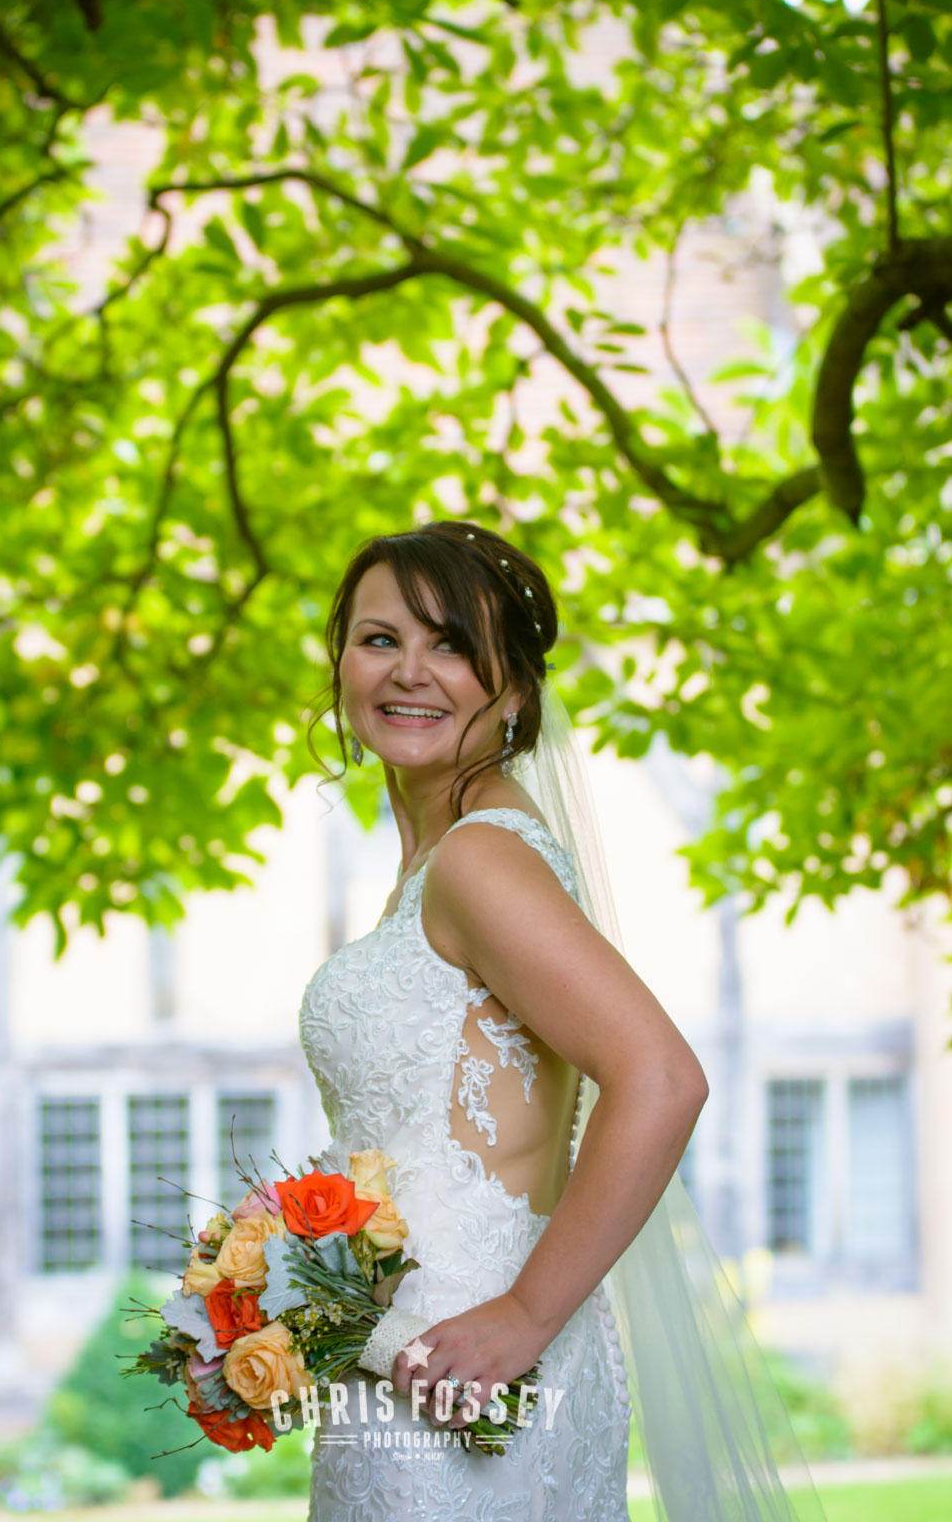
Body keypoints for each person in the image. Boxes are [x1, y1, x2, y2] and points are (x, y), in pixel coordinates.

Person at [297, 519, 708, 1519]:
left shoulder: (480, 860)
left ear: (512, 690)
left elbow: (660, 1078)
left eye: (451, 644)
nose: (410, 671)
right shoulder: (437, 864)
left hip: (466, 1371)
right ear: (341, 662)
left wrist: (525, 1314)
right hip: (409, 1365)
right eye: (380, 637)